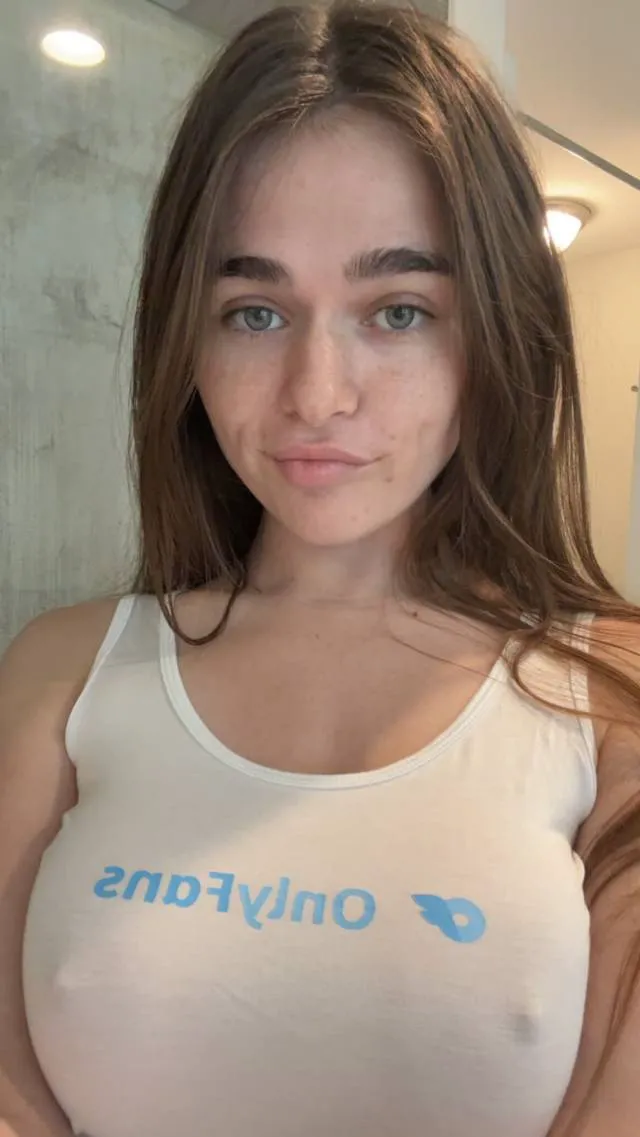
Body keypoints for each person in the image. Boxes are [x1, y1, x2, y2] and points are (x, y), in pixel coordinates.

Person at [1, 3, 639, 1136]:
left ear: (497, 333)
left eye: (398, 311)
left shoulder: (609, 693)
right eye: (254, 312)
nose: (317, 394)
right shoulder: (65, 670)